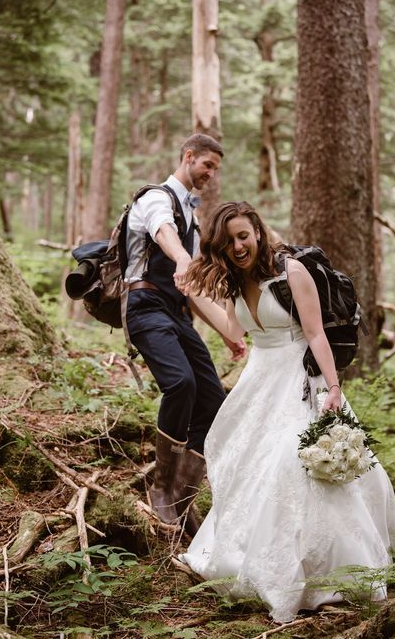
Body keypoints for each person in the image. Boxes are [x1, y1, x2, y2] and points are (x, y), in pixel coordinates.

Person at [179, 201, 395, 623]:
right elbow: (233, 332)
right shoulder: (231, 281)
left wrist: (334, 388)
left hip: (301, 381)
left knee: (293, 464)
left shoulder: (291, 272)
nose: (238, 246)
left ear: (258, 233)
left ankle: (326, 572)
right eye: (228, 242)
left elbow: (316, 333)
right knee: (248, 466)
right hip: (258, 382)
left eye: (243, 236)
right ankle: (254, 559)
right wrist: (191, 299)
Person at [124, 134, 246, 535]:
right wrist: (181, 258)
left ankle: (181, 497)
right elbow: (163, 233)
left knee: (213, 398)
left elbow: (191, 289)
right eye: (206, 165)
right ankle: (159, 489)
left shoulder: (191, 214)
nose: (210, 175)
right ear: (188, 156)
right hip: (145, 308)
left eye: (215, 169)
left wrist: (228, 335)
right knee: (180, 384)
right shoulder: (155, 199)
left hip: (176, 313)